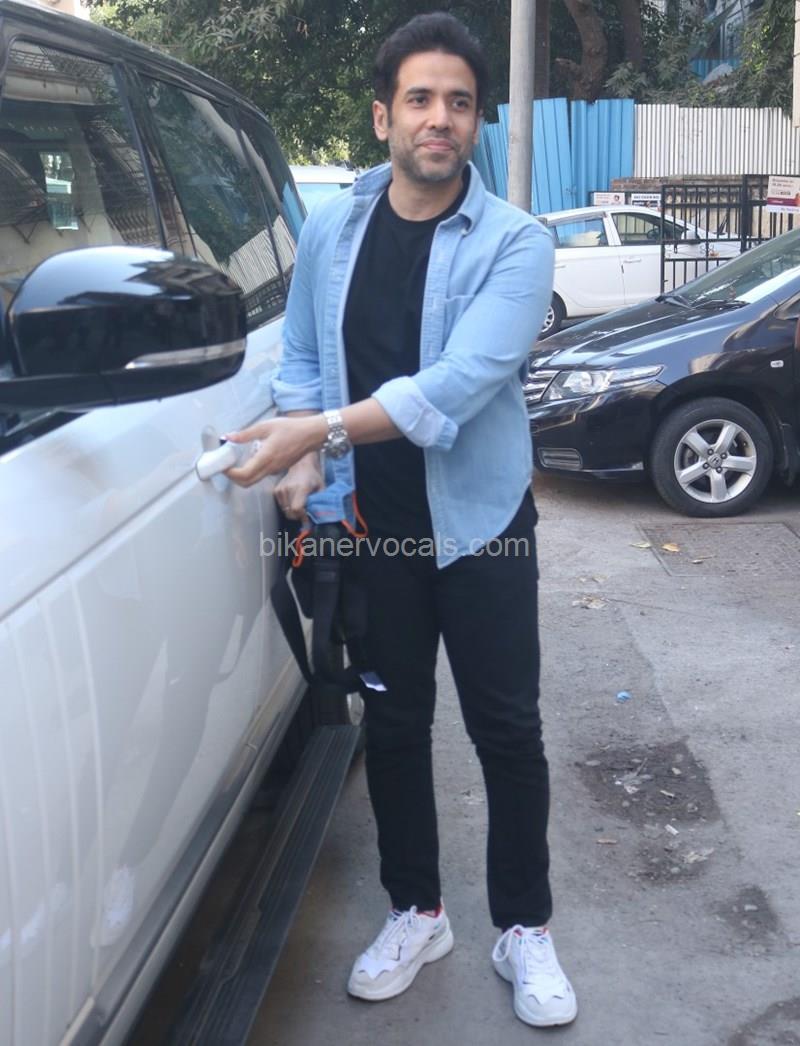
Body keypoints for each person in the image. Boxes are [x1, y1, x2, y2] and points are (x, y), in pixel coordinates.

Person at [225, 11, 577, 1029]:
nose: (439, 119)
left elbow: (455, 385)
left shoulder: (517, 244)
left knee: (506, 728)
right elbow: (301, 354)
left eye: (459, 103)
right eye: (419, 99)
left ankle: (524, 925)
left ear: (477, 123)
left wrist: (314, 431)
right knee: (393, 722)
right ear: (383, 115)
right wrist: (311, 464)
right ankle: (417, 911)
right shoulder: (332, 229)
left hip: (480, 528)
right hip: (374, 527)